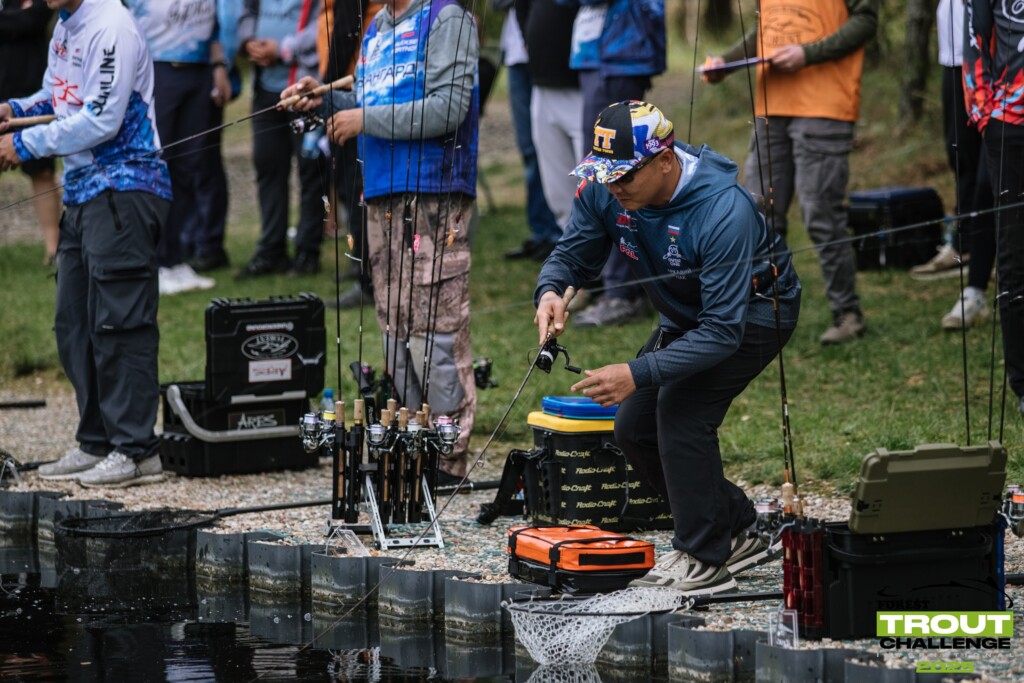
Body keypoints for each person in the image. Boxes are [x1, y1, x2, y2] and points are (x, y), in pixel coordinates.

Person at [534, 101, 801, 595]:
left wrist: (636, 372)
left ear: (664, 160)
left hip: (756, 312)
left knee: (681, 412)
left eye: (624, 176)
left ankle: (704, 558)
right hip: (686, 315)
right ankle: (737, 526)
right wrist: (551, 290)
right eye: (605, 174)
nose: (614, 187)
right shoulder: (606, 189)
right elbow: (572, 254)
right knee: (633, 428)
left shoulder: (724, 211)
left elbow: (722, 331)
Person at [282, 0, 480, 479]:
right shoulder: (376, 29)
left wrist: (364, 118)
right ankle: (413, 446)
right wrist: (322, 102)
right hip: (380, 196)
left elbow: (448, 109)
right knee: (395, 328)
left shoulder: (446, 18)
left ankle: (447, 455)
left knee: (437, 330)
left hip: (434, 195)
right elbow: (370, 100)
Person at [0, 0, 171, 487]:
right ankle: (97, 441)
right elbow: (59, 97)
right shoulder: (65, 26)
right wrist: (15, 111)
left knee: (120, 323)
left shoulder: (111, 25)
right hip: (81, 194)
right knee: (73, 322)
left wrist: (24, 145)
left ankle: (136, 450)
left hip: (124, 190)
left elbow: (101, 118)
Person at [707, 0, 877, 345]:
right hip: (771, 107)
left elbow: (865, 20)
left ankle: (847, 314)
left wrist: (808, 54)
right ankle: (765, 313)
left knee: (820, 214)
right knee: (757, 214)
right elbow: (767, 30)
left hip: (824, 107)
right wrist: (728, 61)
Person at [565, 0, 666, 328]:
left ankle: (623, 293)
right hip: (596, 58)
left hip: (621, 58)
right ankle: (607, 283)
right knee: (600, 175)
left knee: (613, 173)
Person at [124, 0, 225, 296]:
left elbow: (217, 25)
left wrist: (220, 66)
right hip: (158, 69)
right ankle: (156, 260)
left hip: (199, 70)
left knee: (188, 166)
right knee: (159, 165)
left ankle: (176, 257)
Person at [236, 0, 325, 278]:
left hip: (305, 89)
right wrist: (249, 41)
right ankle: (271, 251)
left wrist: (284, 48)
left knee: (312, 171)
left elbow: (326, 21)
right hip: (265, 90)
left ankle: (307, 252)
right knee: (268, 168)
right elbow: (247, 12)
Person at [965, 0, 1024, 415]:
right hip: (1010, 125)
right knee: (1014, 258)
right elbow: (975, 40)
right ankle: (1022, 384)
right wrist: (985, 113)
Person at [930, 0, 995, 330]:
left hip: (1003, 60)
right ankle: (963, 249)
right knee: (963, 160)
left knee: (992, 177)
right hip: (957, 59)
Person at [494, 0, 562, 263]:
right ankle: (542, 232)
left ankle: (562, 234)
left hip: (549, 52)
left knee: (554, 147)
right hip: (515, 56)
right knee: (529, 149)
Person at [0, 0, 61, 267]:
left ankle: (54, 249)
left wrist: (12, 20)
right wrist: (15, 19)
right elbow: (19, 23)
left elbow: (32, 21)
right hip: (4, 96)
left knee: (42, 171)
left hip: (33, 91)